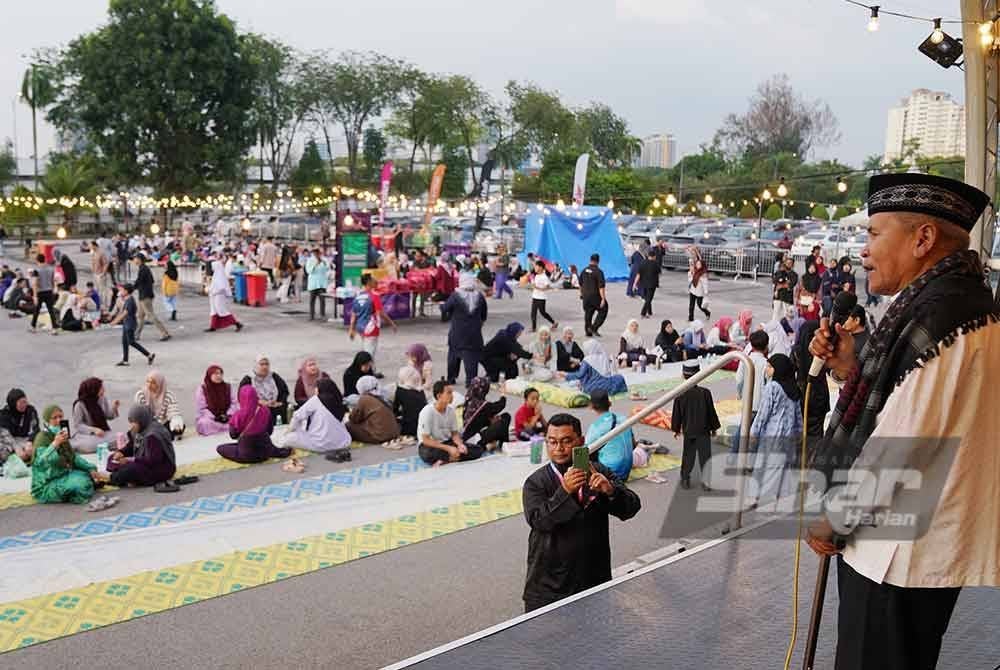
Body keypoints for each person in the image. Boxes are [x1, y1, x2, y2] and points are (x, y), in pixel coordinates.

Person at [804, 173, 1000, 670]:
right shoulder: (950, 303)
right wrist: (851, 368)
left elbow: (899, 448)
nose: (864, 251)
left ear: (923, 238)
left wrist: (830, 520)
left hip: (894, 559)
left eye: (873, 234)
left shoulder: (942, 317)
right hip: (907, 554)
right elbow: (910, 406)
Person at [522, 413, 641, 612]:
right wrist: (565, 491)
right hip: (550, 585)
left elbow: (631, 508)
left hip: (594, 578)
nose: (558, 448)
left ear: (581, 441)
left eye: (566, 441)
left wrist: (610, 491)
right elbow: (540, 521)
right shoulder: (536, 483)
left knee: (594, 638)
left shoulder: (599, 471)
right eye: (552, 442)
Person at [749, 353, 803, 504]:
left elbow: (763, 413)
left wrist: (754, 432)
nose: (766, 369)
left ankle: (755, 496)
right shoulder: (794, 389)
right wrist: (799, 432)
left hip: (772, 435)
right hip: (789, 435)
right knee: (783, 466)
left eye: (769, 366)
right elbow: (798, 413)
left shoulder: (772, 387)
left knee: (762, 464)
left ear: (777, 369)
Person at [31, 405, 102, 504]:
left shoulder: (61, 435)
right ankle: (71, 495)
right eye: (54, 418)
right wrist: (55, 444)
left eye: (60, 417)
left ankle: (73, 489)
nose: (58, 420)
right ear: (47, 420)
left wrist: (89, 468)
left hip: (63, 475)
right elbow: (42, 462)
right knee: (81, 485)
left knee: (90, 472)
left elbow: (73, 457)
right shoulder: (42, 438)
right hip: (47, 484)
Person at [671, 362, 721, 490]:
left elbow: (677, 415)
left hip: (689, 431)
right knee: (705, 457)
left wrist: (676, 429)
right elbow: (711, 412)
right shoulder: (705, 393)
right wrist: (714, 428)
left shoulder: (679, 394)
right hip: (703, 430)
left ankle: (685, 478)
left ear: (683, 375)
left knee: (688, 456)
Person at [216, 386, 292, 464]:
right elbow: (270, 431)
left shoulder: (238, 415)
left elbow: (233, 435)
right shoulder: (265, 410)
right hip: (266, 452)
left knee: (220, 448)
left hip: (247, 455)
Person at [106, 405, 177, 487]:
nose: (132, 425)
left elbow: (153, 461)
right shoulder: (141, 429)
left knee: (131, 469)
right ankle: (121, 476)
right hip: (144, 463)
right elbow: (132, 445)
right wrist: (121, 452)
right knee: (112, 458)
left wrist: (130, 461)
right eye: (130, 422)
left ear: (141, 420)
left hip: (161, 470)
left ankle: (112, 478)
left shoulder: (153, 435)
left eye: (134, 422)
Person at [417, 380, 483, 466]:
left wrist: (460, 445)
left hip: (446, 442)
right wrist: (448, 449)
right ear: (439, 396)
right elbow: (426, 440)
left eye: (452, 392)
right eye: (449, 393)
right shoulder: (427, 412)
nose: (452, 396)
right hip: (431, 446)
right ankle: (451, 457)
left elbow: (454, 434)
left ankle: (448, 459)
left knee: (477, 450)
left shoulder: (451, 411)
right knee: (427, 454)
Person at [441, 274, 488, 386]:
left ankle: (451, 378)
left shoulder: (455, 296)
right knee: (471, 358)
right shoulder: (480, 297)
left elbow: (445, 308)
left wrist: (441, 305)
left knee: (453, 356)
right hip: (474, 335)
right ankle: (471, 381)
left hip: (457, 333)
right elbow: (484, 315)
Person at [284, 378, 352, 454]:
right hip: (343, 443)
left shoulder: (316, 399)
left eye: (316, 388)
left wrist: (289, 431)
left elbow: (297, 416)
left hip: (321, 445)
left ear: (319, 389)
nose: (315, 390)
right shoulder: (339, 401)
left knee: (289, 438)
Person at [731, 329, 770, 453]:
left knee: (743, 429)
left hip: (747, 402)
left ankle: (734, 453)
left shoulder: (745, 359)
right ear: (766, 346)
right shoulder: (766, 364)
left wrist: (740, 393)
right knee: (756, 433)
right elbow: (769, 385)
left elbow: (738, 379)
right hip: (760, 404)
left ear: (751, 346)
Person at [584, 390, 635, 481]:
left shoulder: (596, 426)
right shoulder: (624, 419)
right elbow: (633, 444)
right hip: (626, 471)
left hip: (610, 474)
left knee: (583, 455)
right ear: (610, 403)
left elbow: (585, 451)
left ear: (591, 406)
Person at [238, 354, 290, 431]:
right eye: (261, 364)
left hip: (275, 405)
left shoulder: (274, 376)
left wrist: (280, 402)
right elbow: (243, 397)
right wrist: (261, 402)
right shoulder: (248, 379)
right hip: (257, 407)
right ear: (256, 365)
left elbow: (284, 391)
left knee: (289, 408)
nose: (265, 367)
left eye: (267, 364)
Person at [349, 274, 397, 357]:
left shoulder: (357, 297)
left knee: (365, 352)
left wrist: (351, 329)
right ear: (368, 282)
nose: (376, 281)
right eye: (373, 280)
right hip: (371, 328)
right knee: (369, 355)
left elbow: (353, 315)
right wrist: (392, 323)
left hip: (360, 328)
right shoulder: (374, 296)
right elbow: (381, 313)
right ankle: (369, 369)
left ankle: (369, 369)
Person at [109, 283, 156, 367]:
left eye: (122, 290)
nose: (120, 291)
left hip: (130, 324)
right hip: (126, 323)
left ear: (126, 291)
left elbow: (124, 313)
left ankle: (149, 355)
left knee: (131, 342)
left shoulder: (130, 301)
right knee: (124, 342)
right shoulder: (127, 299)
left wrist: (114, 322)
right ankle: (125, 360)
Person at [345, 376, 401, 445]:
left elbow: (354, 418)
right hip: (395, 432)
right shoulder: (383, 394)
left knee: (348, 425)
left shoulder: (364, 399)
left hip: (381, 436)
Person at [71, 377, 121, 454]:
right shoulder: (80, 404)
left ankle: (101, 445)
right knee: (88, 445)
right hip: (86, 436)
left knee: (121, 437)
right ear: (93, 390)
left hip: (103, 433)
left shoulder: (102, 399)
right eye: (101, 388)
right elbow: (78, 425)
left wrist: (114, 408)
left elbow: (108, 416)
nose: (104, 390)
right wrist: (94, 430)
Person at [460, 376, 510, 451]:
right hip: (476, 438)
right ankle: (503, 443)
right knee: (505, 418)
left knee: (499, 419)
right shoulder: (483, 405)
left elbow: (480, 418)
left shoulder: (469, 400)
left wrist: (490, 419)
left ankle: (493, 443)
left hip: (468, 436)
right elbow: (501, 405)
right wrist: (503, 393)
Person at [134, 370, 185, 438]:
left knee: (178, 426)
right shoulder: (141, 395)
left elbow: (173, 412)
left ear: (159, 383)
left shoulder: (168, 395)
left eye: (153, 383)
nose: (149, 385)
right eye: (148, 381)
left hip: (162, 424)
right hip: (148, 425)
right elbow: (139, 414)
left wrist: (176, 423)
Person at [132, 254, 171, 342]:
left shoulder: (143, 269)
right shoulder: (145, 268)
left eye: (135, 259)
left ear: (139, 259)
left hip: (145, 296)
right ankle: (136, 334)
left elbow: (139, 281)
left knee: (150, 315)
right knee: (140, 316)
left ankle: (164, 333)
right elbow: (151, 281)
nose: (134, 261)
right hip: (145, 294)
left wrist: (131, 288)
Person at [195, 365, 239, 435]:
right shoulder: (203, 389)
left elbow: (234, 403)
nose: (219, 376)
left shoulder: (228, 387)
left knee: (238, 419)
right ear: (209, 375)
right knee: (204, 423)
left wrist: (227, 415)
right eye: (216, 374)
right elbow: (202, 408)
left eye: (220, 373)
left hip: (227, 417)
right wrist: (215, 417)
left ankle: (227, 427)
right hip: (211, 418)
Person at [0, 388, 40, 463]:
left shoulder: (30, 411)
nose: (24, 404)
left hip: (25, 440)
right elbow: (5, 435)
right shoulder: (4, 414)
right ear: (13, 403)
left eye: (25, 401)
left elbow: (36, 429)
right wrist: (17, 448)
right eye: (21, 402)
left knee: (41, 445)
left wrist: (30, 441)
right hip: (10, 442)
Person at [206, 259, 243, 332]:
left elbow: (221, 288)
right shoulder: (216, 275)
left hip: (219, 296)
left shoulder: (220, 276)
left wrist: (212, 290)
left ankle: (237, 323)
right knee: (214, 311)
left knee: (221, 310)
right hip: (214, 295)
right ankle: (213, 326)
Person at [29, 253, 60, 333]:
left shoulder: (36, 270)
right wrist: (53, 290)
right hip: (49, 291)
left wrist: (35, 296)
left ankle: (33, 327)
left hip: (40, 292)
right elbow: (52, 281)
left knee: (37, 310)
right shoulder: (51, 269)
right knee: (51, 310)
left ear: (37, 260)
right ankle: (54, 328)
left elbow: (35, 283)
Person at [579, 254, 608, 337]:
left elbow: (580, 283)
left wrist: (581, 293)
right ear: (598, 261)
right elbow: (601, 287)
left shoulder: (584, 270)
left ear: (590, 260)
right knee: (604, 309)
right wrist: (603, 298)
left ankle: (588, 331)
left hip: (586, 296)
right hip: (595, 296)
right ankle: (593, 328)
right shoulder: (598, 272)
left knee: (588, 312)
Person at [529, 260, 558, 332]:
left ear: (541, 267)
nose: (535, 268)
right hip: (535, 296)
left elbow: (547, 286)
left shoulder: (544, 276)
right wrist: (533, 286)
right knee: (533, 313)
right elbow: (534, 285)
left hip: (541, 297)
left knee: (543, 313)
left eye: (536, 266)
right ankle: (533, 327)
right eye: (535, 267)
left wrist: (538, 288)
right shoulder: (536, 275)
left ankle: (554, 322)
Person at [633, 249, 661, 318]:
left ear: (648, 256)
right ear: (654, 256)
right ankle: (643, 313)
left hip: (643, 284)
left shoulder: (642, 263)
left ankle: (650, 312)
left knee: (647, 298)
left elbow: (638, 274)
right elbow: (659, 273)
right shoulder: (655, 264)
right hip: (652, 284)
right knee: (649, 299)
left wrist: (634, 284)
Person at [772, 256, 798, 322]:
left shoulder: (794, 274)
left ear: (793, 265)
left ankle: (785, 328)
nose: (788, 264)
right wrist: (784, 284)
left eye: (790, 263)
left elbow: (791, 284)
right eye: (787, 263)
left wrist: (781, 285)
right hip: (778, 295)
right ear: (785, 263)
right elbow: (775, 281)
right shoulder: (779, 272)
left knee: (786, 314)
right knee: (776, 314)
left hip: (787, 297)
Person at [306, 249, 329, 321]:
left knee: (322, 300)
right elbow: (308, 271)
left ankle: (322, 315)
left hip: (322, 283)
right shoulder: (310, 260)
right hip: (313, 283)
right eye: (315, 253)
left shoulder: (324, 259)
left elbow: (327, 269)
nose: (317, 254)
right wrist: (315, 265)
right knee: (312, 300)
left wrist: (324, 263)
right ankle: (311, 315)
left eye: (318, 252)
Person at [90, 241, 113, 312]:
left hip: (101, 273)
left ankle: (104, 305)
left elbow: (106, 263)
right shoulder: (93, 253)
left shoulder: (101, 253)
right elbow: (93, 262)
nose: (90, 247)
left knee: (103, 290)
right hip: (95, 273)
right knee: (97, 290)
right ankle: (99, 304)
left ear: (94, 245)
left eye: (91, 246)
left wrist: (103, 273)